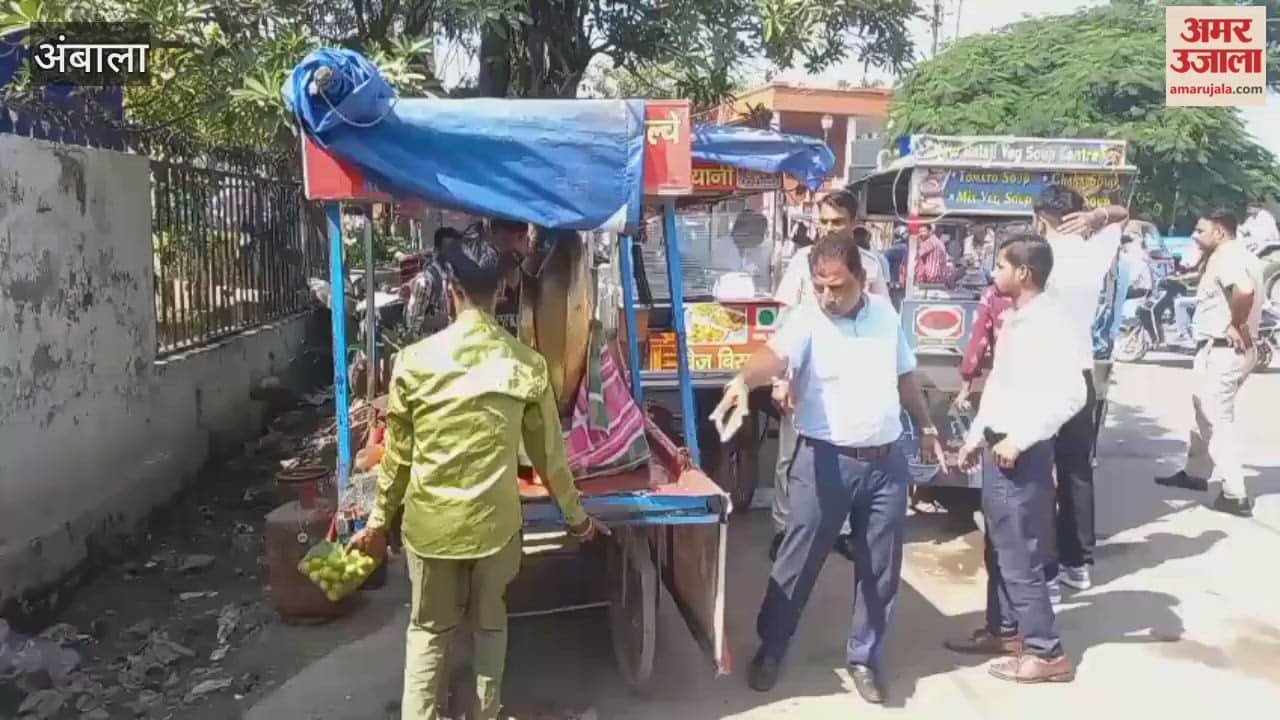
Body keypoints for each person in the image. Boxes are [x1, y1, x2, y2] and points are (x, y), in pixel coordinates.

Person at [347, 234, 608, 720]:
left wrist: (379, 524)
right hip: (495, 530)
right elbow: (551, 461)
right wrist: (580, 523)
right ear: (502, 291)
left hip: (431, 532)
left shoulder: (412, 364)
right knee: (490, 628)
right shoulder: (526, 366)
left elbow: (397, 463)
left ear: (451, 291)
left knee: (428, 633)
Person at [715, 232, 946, 704]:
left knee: (880, 568)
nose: (826, 296)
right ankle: (772, 648)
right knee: (796, 561)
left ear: (861, 279)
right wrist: (744, 377)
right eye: (819, 286)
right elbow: (773, 355)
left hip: (886, 465)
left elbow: (905, 376)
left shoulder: (884, 315)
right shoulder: (807, 320)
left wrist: (925, 427)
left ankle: (864, 657)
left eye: (836, 287)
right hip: (823, 462)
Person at [947, 233, 1086, 684]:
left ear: (1023, 273)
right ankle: (1004, 630)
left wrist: (1021, 438)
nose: (994, 273)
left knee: (1019, 556)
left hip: (1019, 454)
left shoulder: (1051, 322)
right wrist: (974, 437)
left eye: (1001, 265)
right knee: (999, 549)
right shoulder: (1017, 319)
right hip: (998, 446)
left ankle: (1046, 653)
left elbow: (1073, 395)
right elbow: (1001, 387)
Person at [768, 190, 888, 561]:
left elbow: (884, 317)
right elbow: (783, 318)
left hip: (853, 377)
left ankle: (844, 530)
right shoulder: (802, 261)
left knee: (849, 452)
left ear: (855, 223)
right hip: (805, 372)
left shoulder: (871, 264)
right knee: (791, 455)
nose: (829, 229)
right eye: (824, 221)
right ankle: (784, 528)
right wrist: (782, 375)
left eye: (838, 222)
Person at [1032, 186, 1129, 595]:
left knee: (1035, 474)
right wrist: (1098, 217)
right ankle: (1077, 564)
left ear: (1040, 218)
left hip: (1039, 376)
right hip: (1080, 374)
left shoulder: (1033, 257)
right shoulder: (1093, 253)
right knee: (1075, 472)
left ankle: (1046, 569)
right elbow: (1123, 213)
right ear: (1076, 215)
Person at [1155, 209, 1264, 517]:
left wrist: (1237, 323)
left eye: (1200, 230)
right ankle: (1196, 473)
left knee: (1217, 420)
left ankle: (1235, 494)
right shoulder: (1238, 254)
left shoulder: (1228, 257)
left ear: (1219, 232)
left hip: (1224, 350)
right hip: (1222, 350)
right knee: (1202, 410)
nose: (1194, 235)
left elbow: (1244, 290)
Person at [953, 282, 1015, 415]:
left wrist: (966, 385)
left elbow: (978, 339)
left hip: (1005, 380)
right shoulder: (1048, 297)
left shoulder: (993, 294)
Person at [403, 227, 463, 341]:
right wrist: (442, 320)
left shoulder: (452, 275)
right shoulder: (425, 281)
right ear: (437, 250)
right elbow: (412, 323)